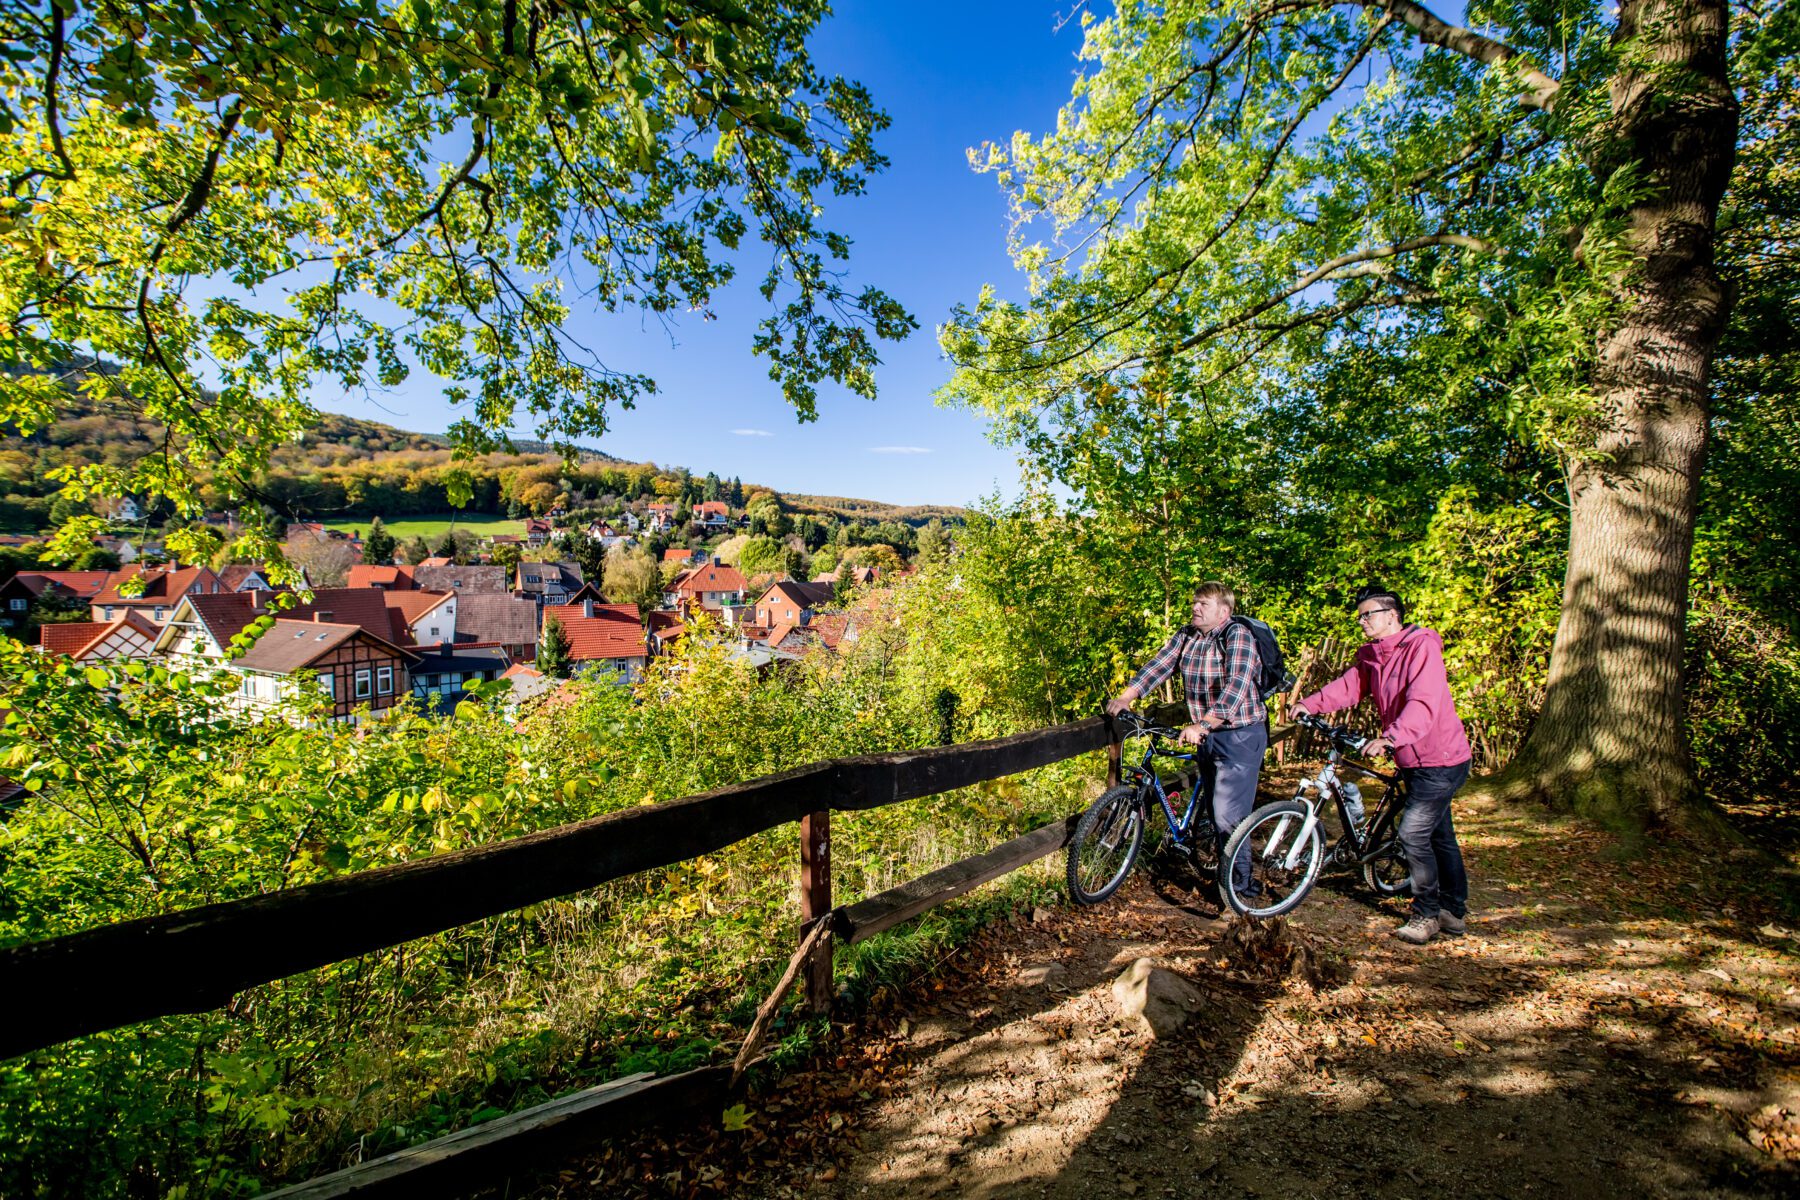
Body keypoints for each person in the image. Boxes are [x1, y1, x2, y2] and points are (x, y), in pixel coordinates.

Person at [1291, 585, 1473, 945]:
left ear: (1392, 615)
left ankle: (1426, 914)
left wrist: (1392, 736)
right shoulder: (1376, 656)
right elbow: (1349, 687)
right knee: (1440, 835)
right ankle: (1454, 910)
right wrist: (1310, 705)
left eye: (1368, 614)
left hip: (1441, 758)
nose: (1362, 621)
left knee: (1414, 834)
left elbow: (1424, 701)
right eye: (1359, 615)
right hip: (1412, 758)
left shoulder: (1421, 647)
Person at [1106, 582, 1267, 890]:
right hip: (1206, 734)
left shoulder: (1238, 636)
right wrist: (1127, 697)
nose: (1195, 608)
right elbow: (1159, 666)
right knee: (1214, 805)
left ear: (1224, 611)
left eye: (1203, 604)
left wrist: (1204, 724)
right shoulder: (1187, 635)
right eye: (1195, 602)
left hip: (1240, 735)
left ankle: (1239, 891)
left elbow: (1237, 687)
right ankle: (1210, 856)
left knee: (1229, 817)